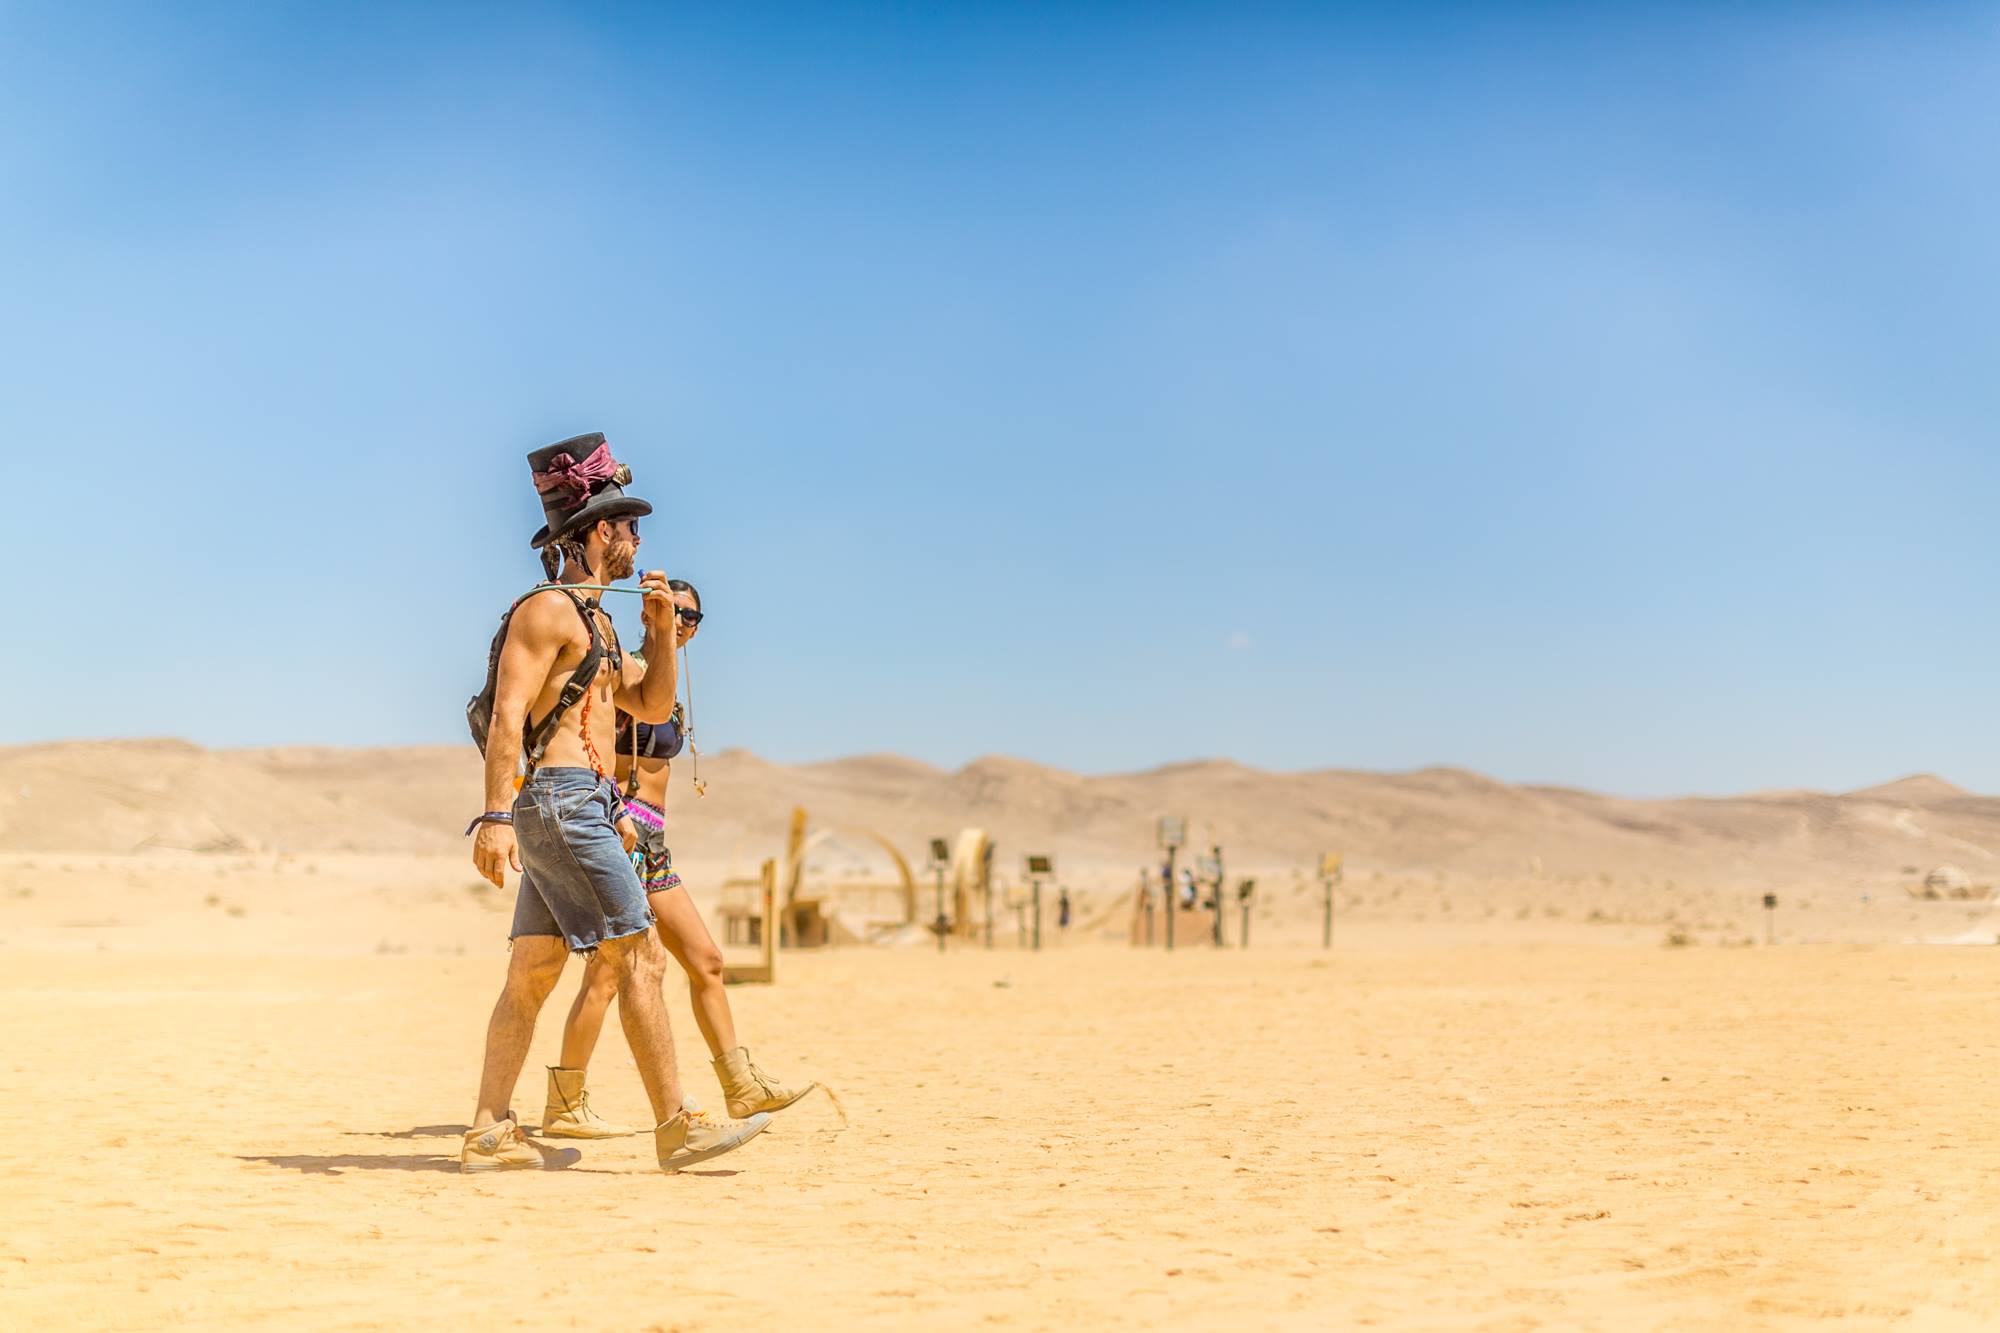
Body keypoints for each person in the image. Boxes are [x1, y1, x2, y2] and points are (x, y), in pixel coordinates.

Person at [463, 433, 771, 1173]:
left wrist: (663, 633)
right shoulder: (547, 611)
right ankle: (678, 1125)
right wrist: (496, 816)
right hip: (562, 801)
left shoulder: (598, 622)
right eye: (630, 525)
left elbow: (653, 704)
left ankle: (486, 1130)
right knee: (642, 954)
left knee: (534, 971)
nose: (638, 539)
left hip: (581, 806)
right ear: (601, 531)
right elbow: (508, 715)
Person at [540, 578, 811, 1138]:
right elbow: (591, 743)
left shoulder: (665, 678)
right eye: (674, 612)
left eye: (693, 617)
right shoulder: (625, 672)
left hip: (655, 839)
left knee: (706, 960)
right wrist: (612, 811)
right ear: (648, 613)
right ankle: (565, 1103)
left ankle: (741, 1084)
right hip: (620, 830)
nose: (683, 623)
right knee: (609, 975)